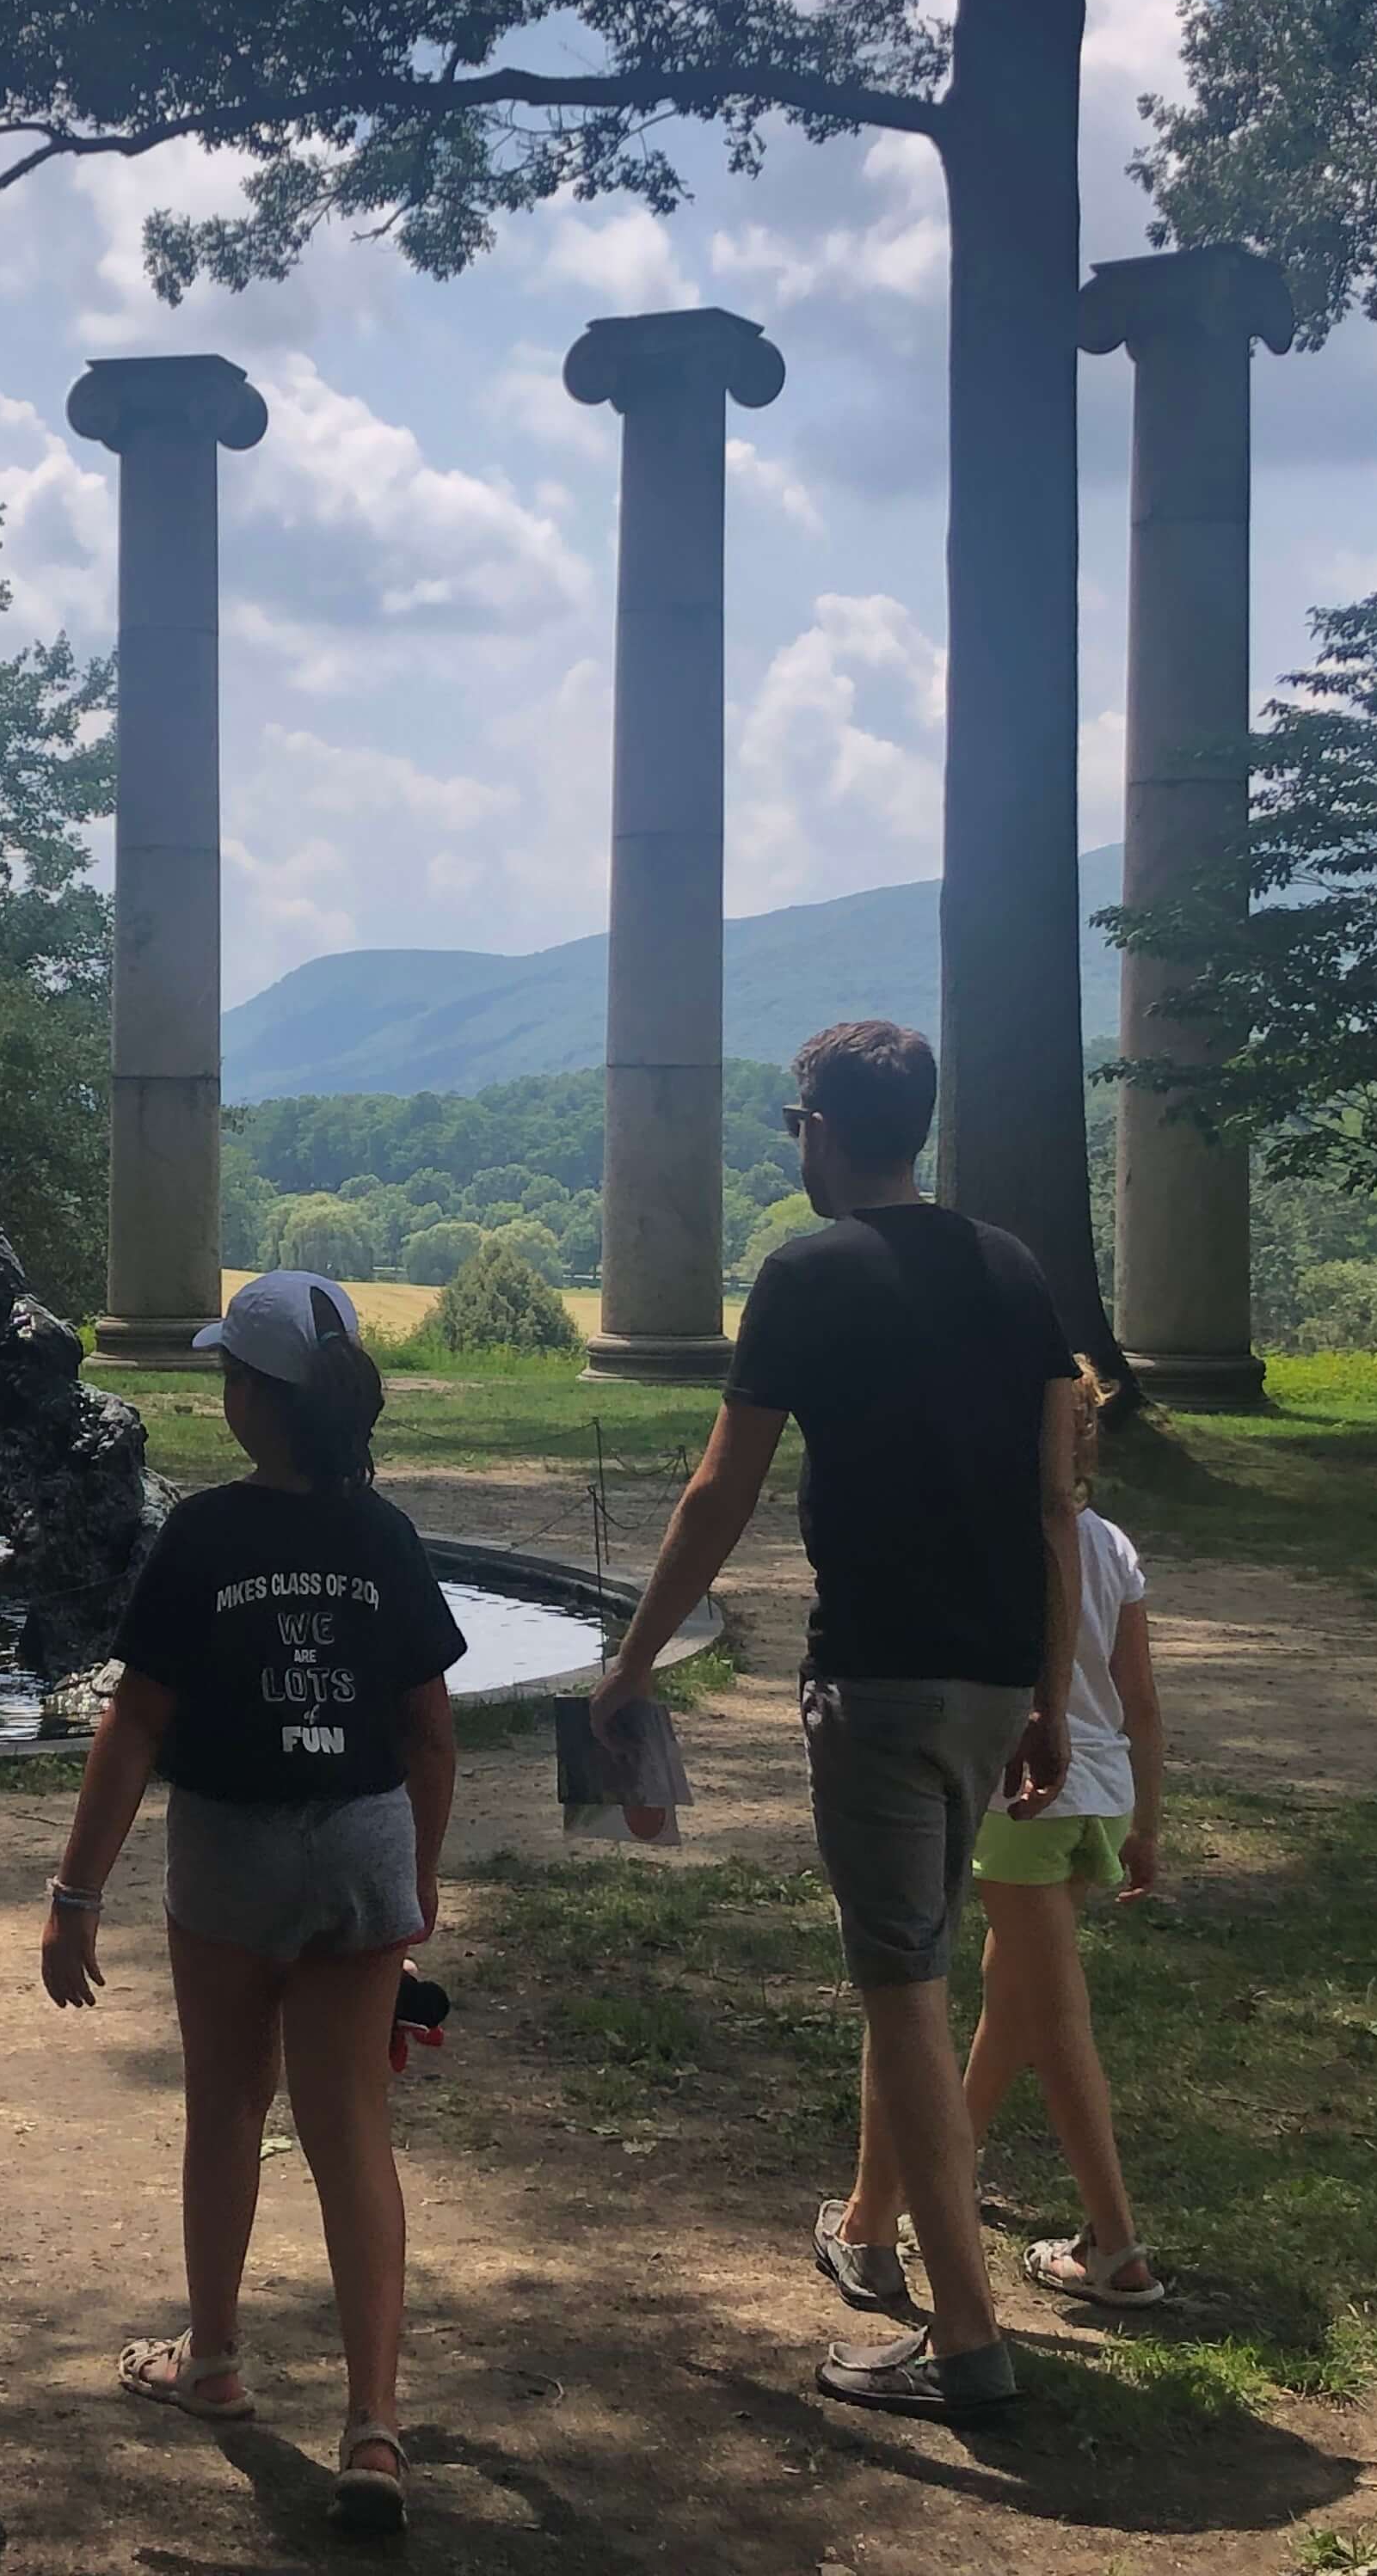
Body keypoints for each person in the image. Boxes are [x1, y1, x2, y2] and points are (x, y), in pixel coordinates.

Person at [590, 1020, 1082, 2420]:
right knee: (911, 1957)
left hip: (874, 1679)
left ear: (818, 1126)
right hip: (994, 1679)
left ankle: (970, 2336)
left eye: (792, 1129)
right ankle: (865, 2227)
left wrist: (627, 1665)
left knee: (900, 1981)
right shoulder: (1015, 1271)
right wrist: (1052, 1694)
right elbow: (1054, 1504)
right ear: (911, 1123)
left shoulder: (806, 1272)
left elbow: (717, 1491)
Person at [41, 1272, 464, 2535]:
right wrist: (417, 1876)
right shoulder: (383, 1535)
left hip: (227, 1852)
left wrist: (77, 1893)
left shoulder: (206, 1535)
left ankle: (215, 2362)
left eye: (232, 1373)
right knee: (352, 2135)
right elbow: (431, 1735)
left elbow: (133, 1727)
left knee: (227, 2106)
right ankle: (374, 2429)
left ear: (255, 1403)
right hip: (359, 1849)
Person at [842, 1358, 1169, 2305]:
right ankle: (939, 2173)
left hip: (1032, 1802)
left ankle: (1117, 2246)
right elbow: (1140, 1699)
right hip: (1101, 1803)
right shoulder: (1111, 1545)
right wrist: (1148, 1822)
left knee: (1056, 2019)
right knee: (1013, 1993)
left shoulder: (1007, 1545)